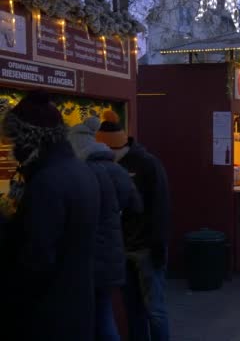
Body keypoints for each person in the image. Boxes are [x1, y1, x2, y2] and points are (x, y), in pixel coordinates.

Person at [0, 90, 100, 340]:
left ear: (30, 139)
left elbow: (37, 260)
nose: (13, 150)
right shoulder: (80, 172)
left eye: (15, 141)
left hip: (46, 318)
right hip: (76, 310)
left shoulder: (47, 182)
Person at [96, 110, 171, 341]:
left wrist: (158, 244)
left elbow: (160, 206)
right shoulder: (106, 167)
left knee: (154, 309)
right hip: (122, 248)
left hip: (146, 247)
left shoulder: (147, 164)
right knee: (132, 309)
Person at [68, 116, 142, 341]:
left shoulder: (82, 173)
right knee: (104, 311)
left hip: (89, 255)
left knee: (91, 316)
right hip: (114, 250)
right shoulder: (117, 169)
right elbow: (137, 205)